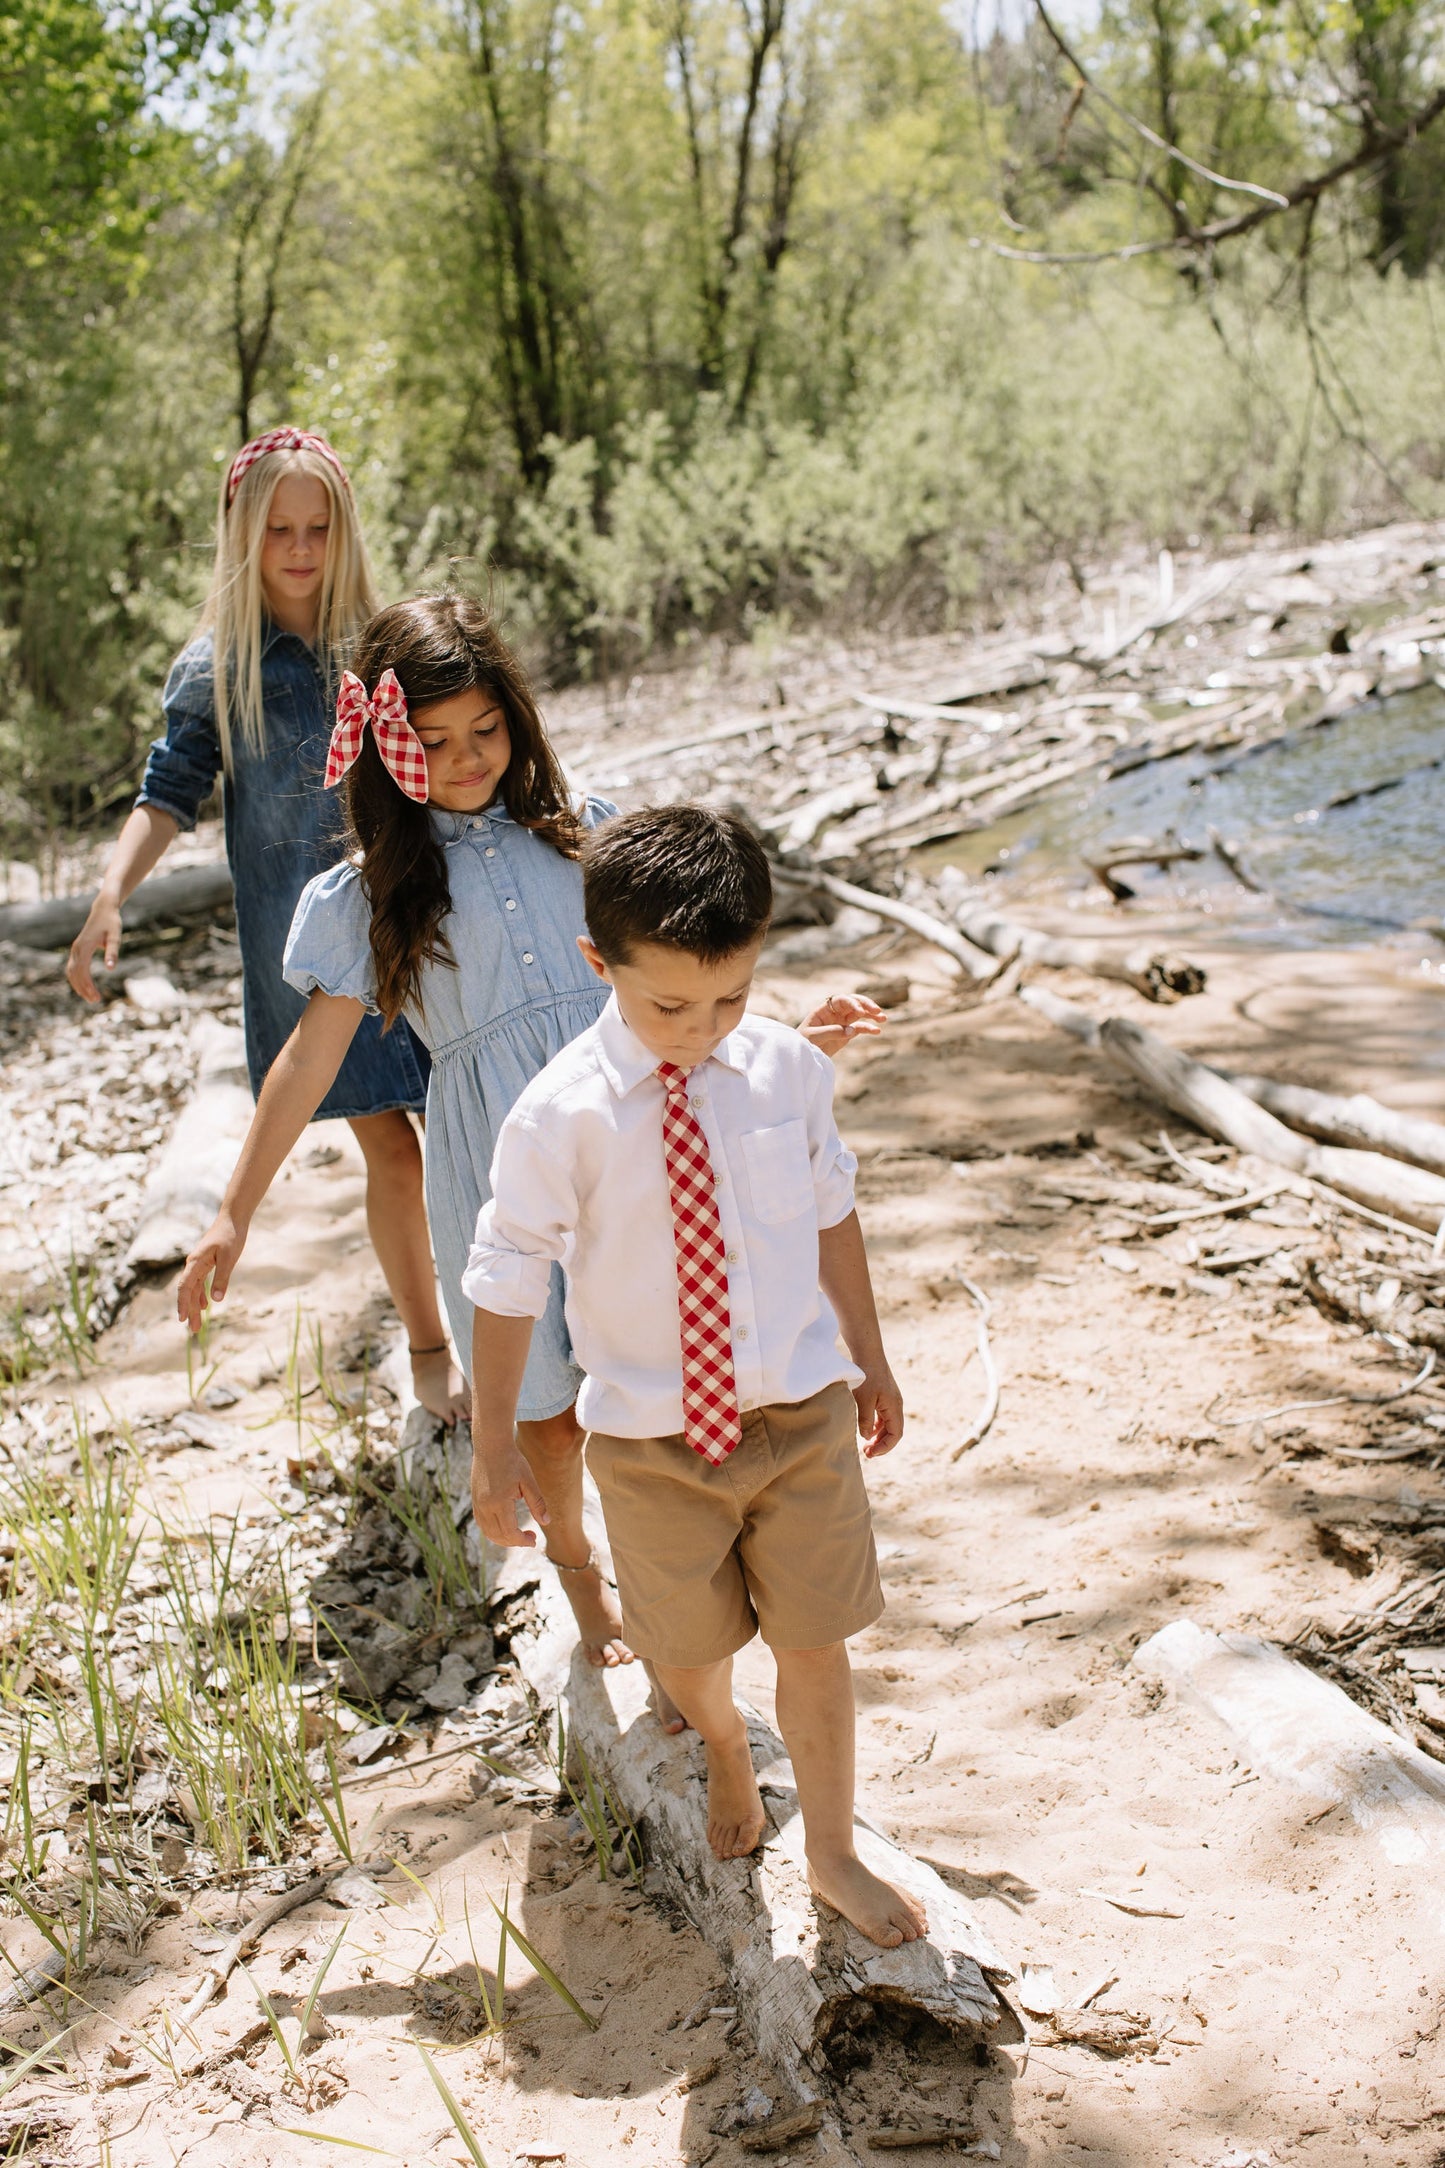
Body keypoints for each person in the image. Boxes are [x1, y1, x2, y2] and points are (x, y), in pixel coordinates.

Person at [176, 595, 883, 1682]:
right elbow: (305, 1062)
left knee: (652, 1379)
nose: (467, 759)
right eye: (434, 742)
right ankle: (579, 1576)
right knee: (548, 1414)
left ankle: (695, 1599)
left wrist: (789, 1032)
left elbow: (672, 981)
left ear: (516, 715)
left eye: (486, 729)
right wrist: (233, 1211)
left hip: (635, 1149)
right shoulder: (374, 893)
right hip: (496, 1165)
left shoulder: (583, 834)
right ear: (387, 747)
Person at [463, 804, 926, 1948]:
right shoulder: (560, 1113)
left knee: (815, 1640)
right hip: (650, 1440)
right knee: (685, 1656)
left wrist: (867, 1354)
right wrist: (493, 1446)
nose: (701, 1030)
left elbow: (830, 1212)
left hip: (798, 1411)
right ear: (598, 963)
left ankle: (829, 1847)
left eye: (729, 998)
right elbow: (506, 1276)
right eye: (668, 1005)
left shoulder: (783, 1071)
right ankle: (721, 1740)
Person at [65, 428, 466, 1423]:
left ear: (343, 531)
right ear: (242, 537)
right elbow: (167, 793)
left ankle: (520, 1327)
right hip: (318, 956)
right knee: (394, 1150)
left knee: (471, 1130)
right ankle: (428, 1344)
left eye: (317, 528)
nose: (299, 548)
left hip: (419, 924)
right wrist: (111, 891)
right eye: (278, 530)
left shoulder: (380, 645)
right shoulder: (218, 670)